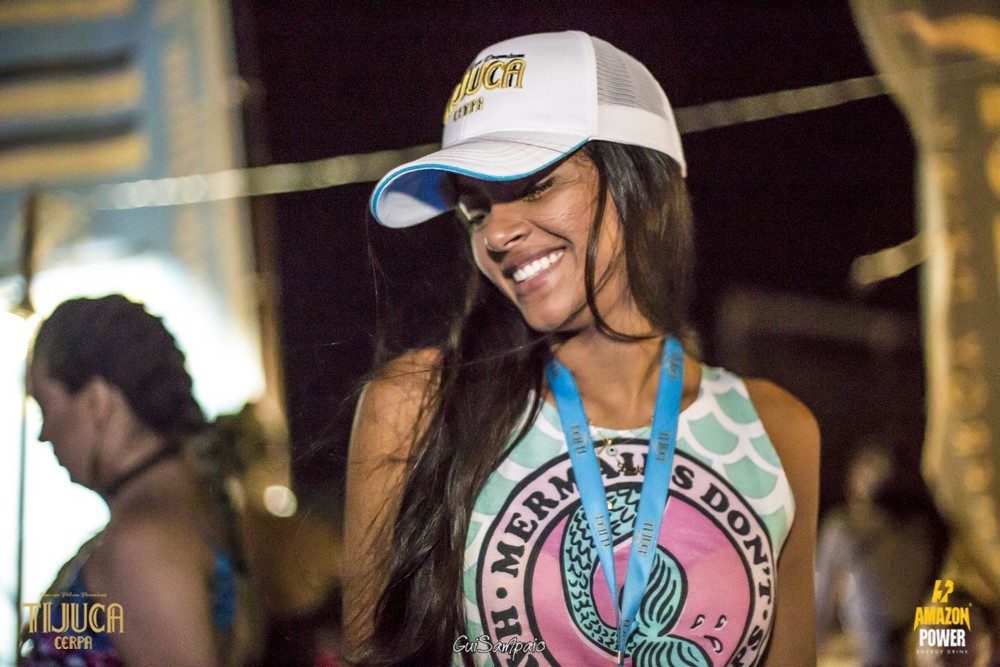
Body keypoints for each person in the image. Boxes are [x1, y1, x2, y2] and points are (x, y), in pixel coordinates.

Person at [344, 31, 820, 666]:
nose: (497, 233)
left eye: (536, 185)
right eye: (475, 209)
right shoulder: (417, 408)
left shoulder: (776, 429)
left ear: (639, 181)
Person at [21, 295, 260, 666]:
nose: (43, 434)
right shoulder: (184, 514)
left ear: (98, 401)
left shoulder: (142, 544)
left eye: (45, 406)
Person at [815, 441, 946, 666]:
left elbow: (820, 603)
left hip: (886, 650)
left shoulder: (846, 530)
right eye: (867, 465)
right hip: (905, 650)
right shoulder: (923, 529)